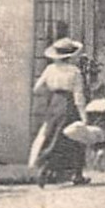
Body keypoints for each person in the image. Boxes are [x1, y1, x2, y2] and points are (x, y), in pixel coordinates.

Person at [30, 37, 89, 186]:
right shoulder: (74, 71)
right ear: (70, 56)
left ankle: (47, 168)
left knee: (52, 135)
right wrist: (84, 116)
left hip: (53, 103)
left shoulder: (50, 69)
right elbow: (78, 95)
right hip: (68, 104)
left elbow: (37, 88)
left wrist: (51, 91)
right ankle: (76, 174)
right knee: (75, 138)